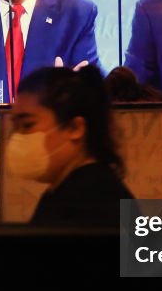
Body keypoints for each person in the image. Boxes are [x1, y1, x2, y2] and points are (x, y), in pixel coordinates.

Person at [7, 66, 136, 226]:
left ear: (75, 128)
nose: (18, 137)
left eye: (27, 125)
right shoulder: (60, 193)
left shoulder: (96, 202)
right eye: (15, 127)